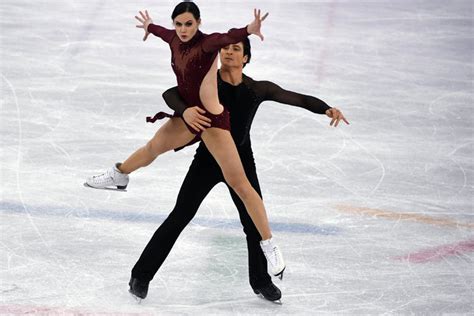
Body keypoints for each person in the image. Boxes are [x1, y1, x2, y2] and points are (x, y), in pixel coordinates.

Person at [129, 37, 349, 301]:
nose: (229, 52)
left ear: (246, 58)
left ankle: (260, 281)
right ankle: (141, 275)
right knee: (180, 216)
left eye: (236, 49)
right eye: (225, 49)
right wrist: (186, 111)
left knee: (252, 223)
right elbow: (170, 94)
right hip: (208, 160)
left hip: (242, 160)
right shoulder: (207, 85)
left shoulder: (257, 89)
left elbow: (297, 98)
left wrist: (326, 109)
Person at [85, 1, 286, 284]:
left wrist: (249, 30)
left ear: (198, 23)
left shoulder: (207, 44)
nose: (182, 30)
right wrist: (149, 27)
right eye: (178, 24)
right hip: (189, 115)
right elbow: (162, 33)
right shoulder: (173, 38)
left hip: (212, 121)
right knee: (152, 148)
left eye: (188, 24)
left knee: (241, 184)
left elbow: (227, 37)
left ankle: (269, 244)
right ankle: (120, 175)